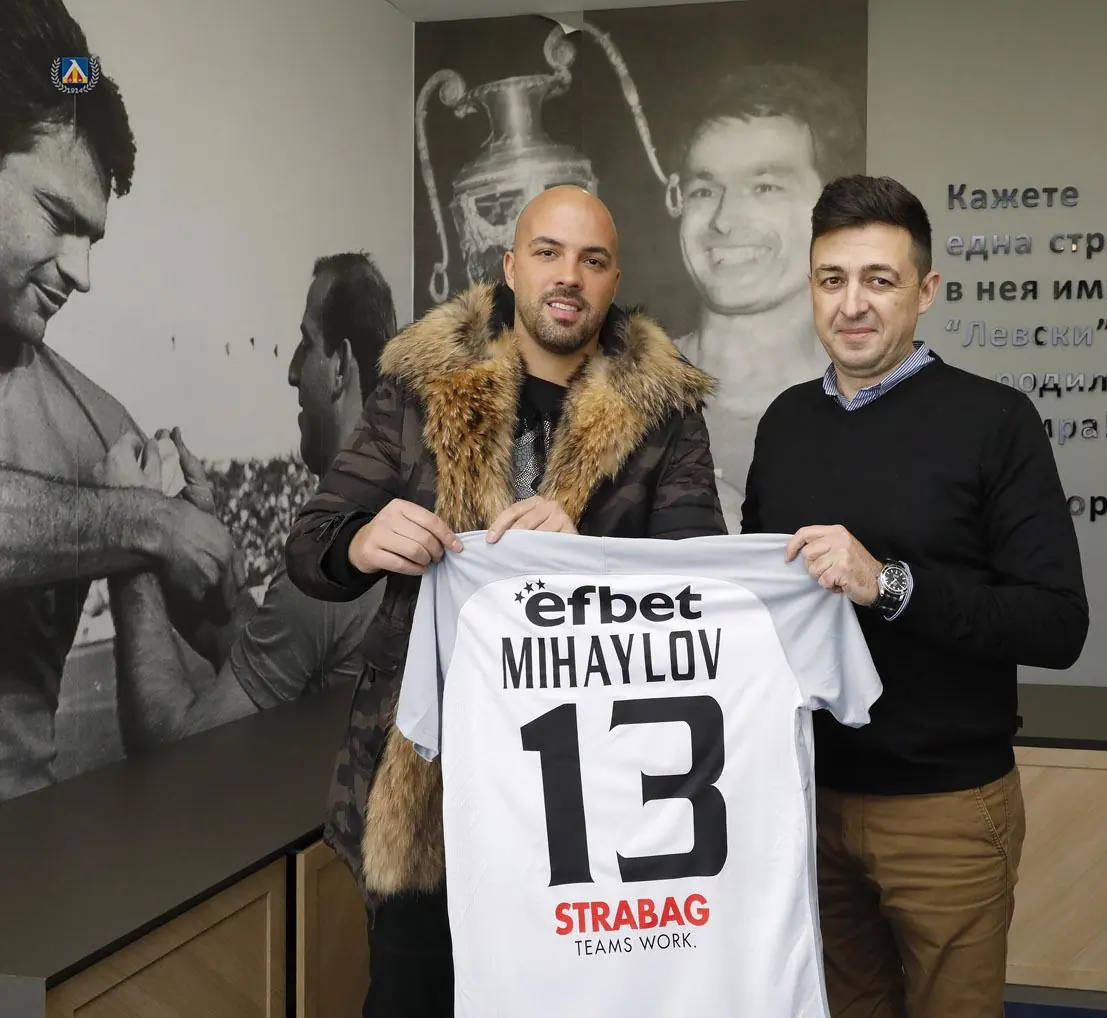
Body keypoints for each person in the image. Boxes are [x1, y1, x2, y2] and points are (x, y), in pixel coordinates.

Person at [284, 184, 725, 1017]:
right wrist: (361, 540)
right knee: (413, 996)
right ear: (510, 265)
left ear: (614, 279)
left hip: (593, 800)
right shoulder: (420, 384)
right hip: (429, 791)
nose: (569, 277)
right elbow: (311, 543)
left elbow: (696, 588)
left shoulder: (664, 412)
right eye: (548, 253)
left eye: (592, 261)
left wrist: (581, 553)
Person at [740, 174, 1090, 1018]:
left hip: (946, 811)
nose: (852, 304)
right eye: (832, 280)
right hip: (807, 803)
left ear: (925, 290)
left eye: (879, 280)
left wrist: (888, 584)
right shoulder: (784, 423)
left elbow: (1056, 624)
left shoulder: (995, 421)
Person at [0, 0, 240, 799]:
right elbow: (146, 525)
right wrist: (143, 523)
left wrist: (207, 548)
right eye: (56, 218)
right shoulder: (126, 493)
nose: (82, 273)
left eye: (93, 237)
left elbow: (231, 638)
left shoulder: (101, 430)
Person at [671, 64, 863, 531]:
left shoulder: (891, 412)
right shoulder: (611, 399)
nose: (724, 220)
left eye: (766, 187)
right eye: (704, 189)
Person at [206, 253, 398, 717]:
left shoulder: (335, 542)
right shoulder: (400, 494)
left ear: (340, 366)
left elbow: (179, 741)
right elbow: (285, 654)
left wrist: (142, 553)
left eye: (306, 343)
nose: (293, 371)